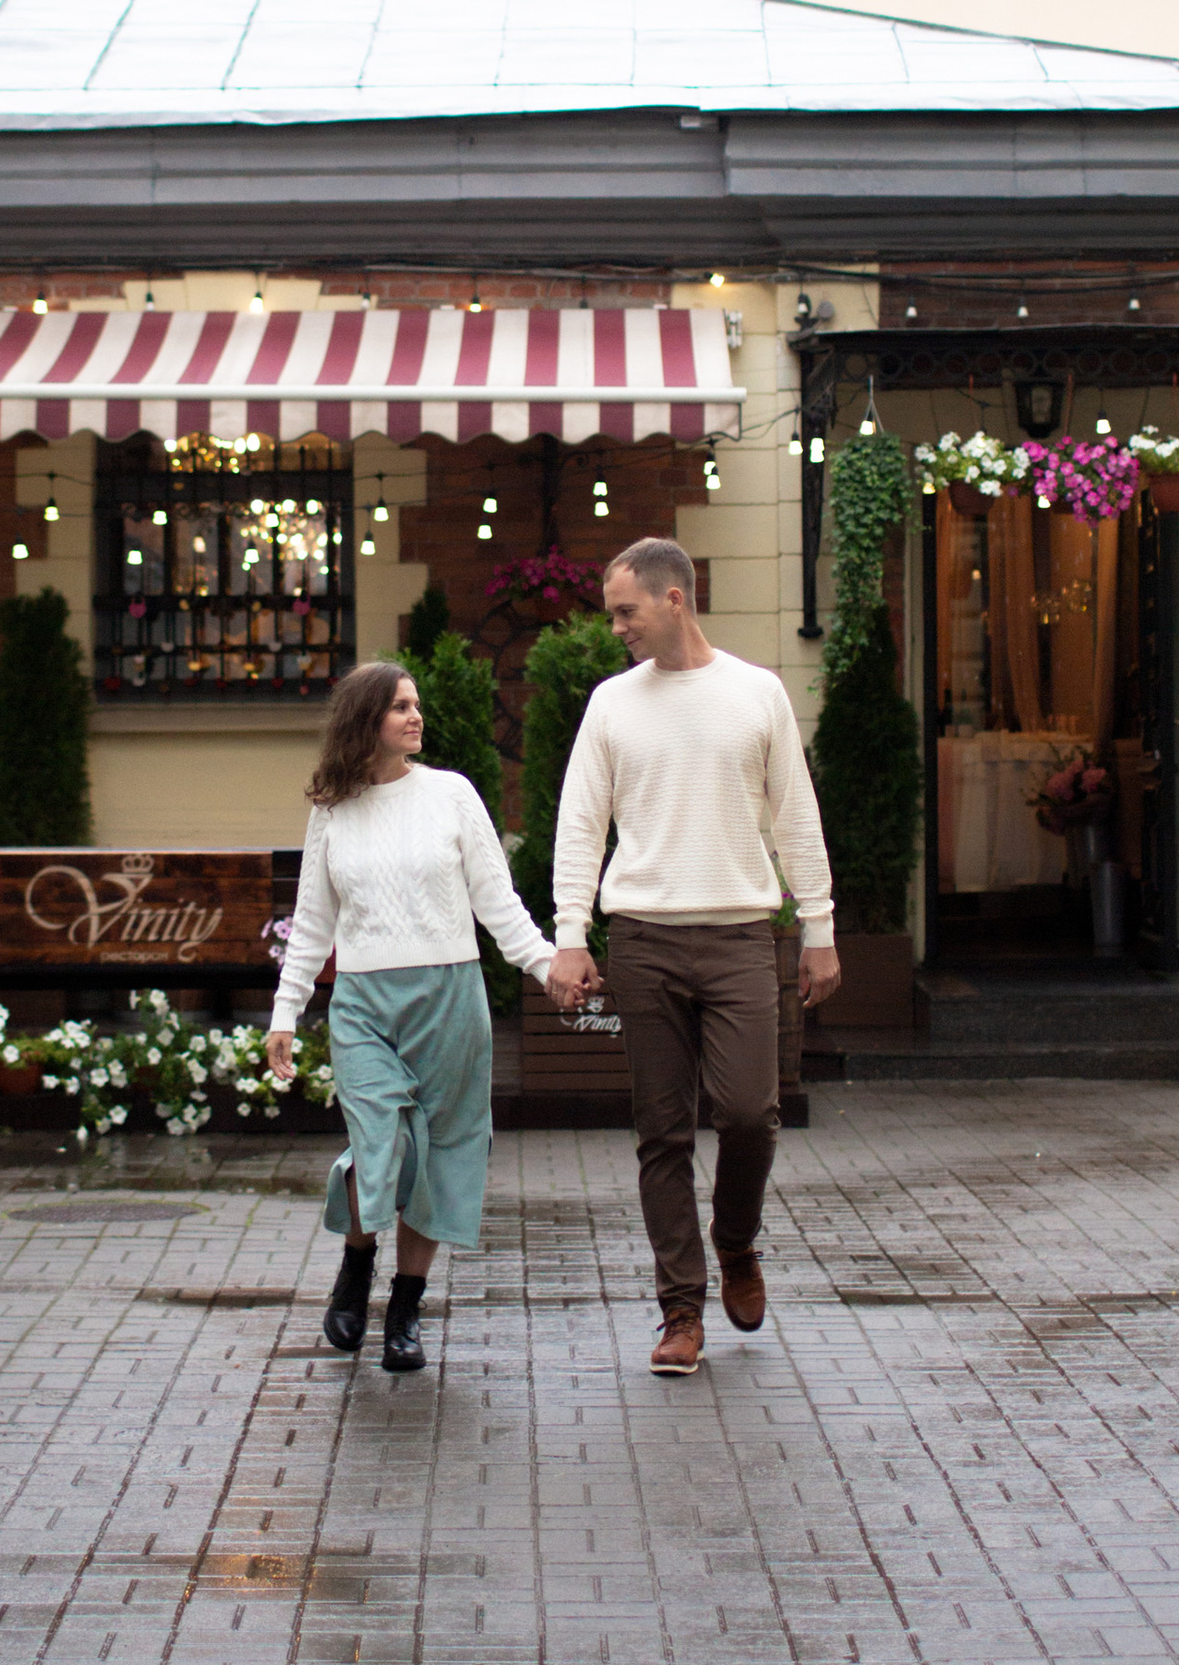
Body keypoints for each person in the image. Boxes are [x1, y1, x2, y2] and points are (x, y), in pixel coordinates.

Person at [547, 537, 839, 1377]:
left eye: (626, 611)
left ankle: (735, 1239)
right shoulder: (612, 704)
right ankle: (681, 1311)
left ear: (674, 599)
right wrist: (571, 935)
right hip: (643, 939)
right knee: (662, 1132)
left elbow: (796, 815)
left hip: (742, 935)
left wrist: (818, 926)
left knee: (749, 1113)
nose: (616, 628)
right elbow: (580, 824)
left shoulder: (757, 693)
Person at [268, 659, 556, 1372]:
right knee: (382, 1143)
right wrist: (285, 1013)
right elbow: (312, 922)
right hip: (363, 1003)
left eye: (416, 704)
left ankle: (405, 1306)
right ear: (366, 719)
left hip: (451, 998)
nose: (415, 716)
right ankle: (356, 1265)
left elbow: (497, 900)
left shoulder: (452, 795)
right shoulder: (332, 810)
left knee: (443, 1150)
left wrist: (547, 966)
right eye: (400, 706)